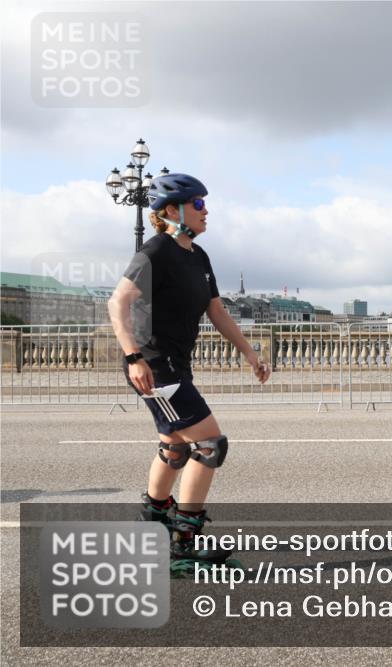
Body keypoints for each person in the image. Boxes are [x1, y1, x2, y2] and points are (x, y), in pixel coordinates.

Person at [108, 172, 271, 563]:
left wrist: (249, 352)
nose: (206, 210)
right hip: (155, 368)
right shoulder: (156, 251)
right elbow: (117, 302)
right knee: (210, 444)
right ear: (171, 210)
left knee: (175, 446)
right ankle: (184, 540)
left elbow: (216, 310)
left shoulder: (198, 257)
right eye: (198, 203)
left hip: (176, 367)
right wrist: (133, 357)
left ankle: (155, 523)